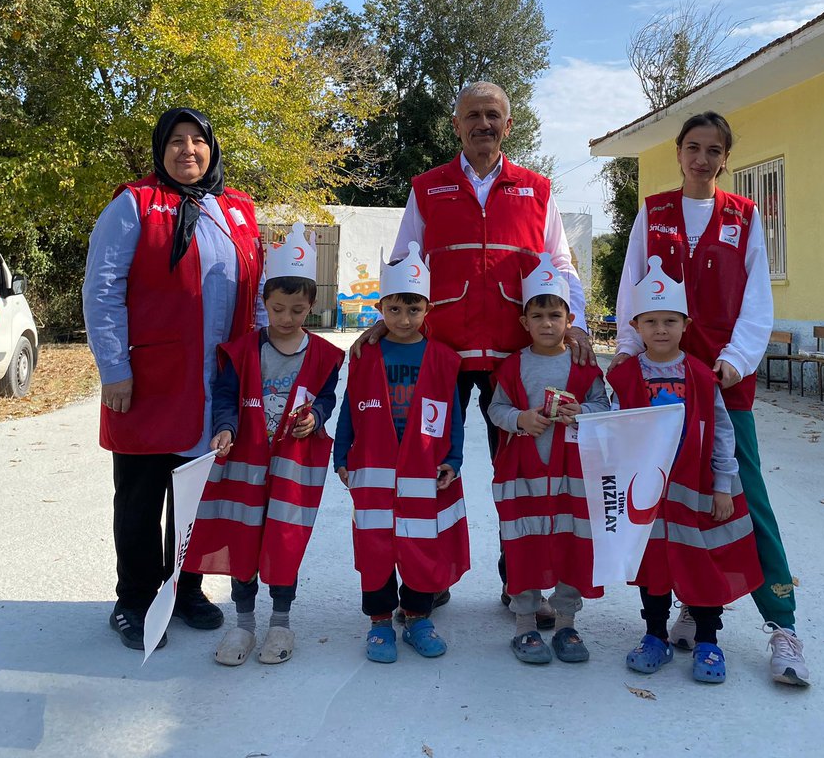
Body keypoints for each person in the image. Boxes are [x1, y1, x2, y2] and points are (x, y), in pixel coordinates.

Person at [356, 81, 593, 620]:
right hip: (442, 353)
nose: (483, 124)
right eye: (472, 116)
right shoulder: (427, 187)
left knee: (521, 472)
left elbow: (559, 263)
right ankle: (429, 578)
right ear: (456, 124)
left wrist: (572, 320)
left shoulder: (536, 189)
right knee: (432, 463)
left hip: (513, 359)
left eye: (493, 115)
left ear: (509, 125)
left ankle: (521, 581)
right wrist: (381, 320)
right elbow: (403, 262)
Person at [611, 110, 810, 687]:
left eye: (713, 150)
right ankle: (685, 609)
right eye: (692, 147)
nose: (701, 159)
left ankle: (783, 625)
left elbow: (757, 304)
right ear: (678, 152)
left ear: (727, 159)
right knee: (667, 502)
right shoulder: (653, 212)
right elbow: (630, 292)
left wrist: (734, 362)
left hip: (721, 385)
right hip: (658, 384)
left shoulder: (744, 218)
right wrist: (629, 354)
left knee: (745, 500)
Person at [82, 107, 264, 650]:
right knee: (140, 497)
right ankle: (134, 600)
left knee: (196, 498)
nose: (188, 150)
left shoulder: (237, 209)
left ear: (212, 149)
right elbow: (102, 289)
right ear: (161, 151)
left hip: (215, 384)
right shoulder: (133, 205)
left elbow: (257, 296)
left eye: (198, 140)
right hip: (147, 381)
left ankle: (184, 590)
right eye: (176, 141)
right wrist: (113, 369)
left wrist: (256, 372)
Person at [184, 224, 344, 666]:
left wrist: (317, 417)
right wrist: (225, 427)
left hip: (293, 469)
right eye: (278, 309)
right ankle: (244, 625)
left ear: (312, 305)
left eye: (297, 309)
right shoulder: (241, 351)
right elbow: (224, 395)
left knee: (283, 543)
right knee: (243, 542)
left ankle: (280, 623)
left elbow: (326, 398)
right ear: (264, 305)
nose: (287, 318)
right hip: (245, 464)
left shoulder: (326, 356)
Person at [609, 256, 762, 684]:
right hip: (647, 495)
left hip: (695, 491)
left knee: (702, 564)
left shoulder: (699, 375)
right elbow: (613, 430)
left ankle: (708, 640)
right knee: (652, 565)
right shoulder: (623, 377)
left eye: (670, 321)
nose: (661, 330)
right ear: (637, 326)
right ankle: (655, 635)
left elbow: (721, 433)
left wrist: (724, 484)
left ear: (685, 325)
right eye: (652, 321)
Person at [334, 244, 468, 664]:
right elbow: (349, 407)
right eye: (394, 309)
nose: (404, 318)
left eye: (413, 309)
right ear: (380, 307)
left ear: (427, 309)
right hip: (372, 467)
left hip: (424, 467)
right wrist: (341, 455)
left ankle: (417, 617)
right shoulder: (364, 353)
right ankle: (378, 622)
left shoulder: (444, 358)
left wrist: (455, 459)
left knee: (420, 544)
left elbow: (455, 416)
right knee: (374, 545)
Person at [488, 254, 609, 665]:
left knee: (570, 546)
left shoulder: (584, 366)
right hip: (523, 476)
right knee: (525, 546)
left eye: (554, 315)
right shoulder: (512, 367)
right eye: (537, 315)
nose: (546, 323)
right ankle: (524, 625)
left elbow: (604, 409)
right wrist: (519, 419)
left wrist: (586, 414)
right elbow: (496, 410)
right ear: (524, 322)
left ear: (568, 318)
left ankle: (566, 625)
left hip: (572, 479)